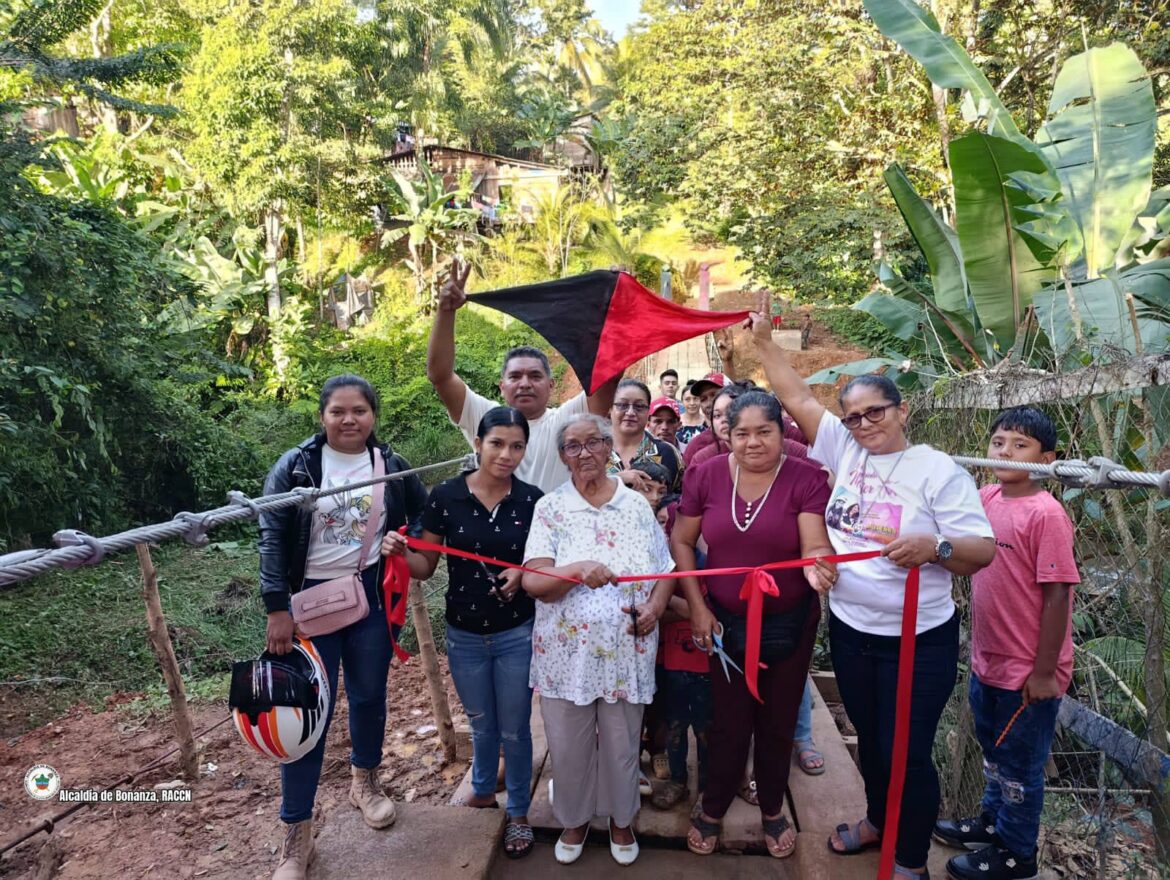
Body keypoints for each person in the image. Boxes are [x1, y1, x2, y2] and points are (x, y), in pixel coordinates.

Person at [747, 314, 996, 878]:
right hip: (851, 631)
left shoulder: (937, 471)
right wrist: (762, 342)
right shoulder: (844, 450)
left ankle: (910, 859)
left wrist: (935, 548)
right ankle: (879, 821)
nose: (863, 424)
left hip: (917, 639)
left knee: (908, 751)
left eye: (875, 412)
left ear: (901, 411)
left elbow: (981, 552)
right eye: (853, 416)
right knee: (874, 742)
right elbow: (796, 397)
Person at [258, 375, 427, 880]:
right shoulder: (296, 467)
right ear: (322, 416)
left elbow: (425, 515)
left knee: (370, 695)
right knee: (304, 714)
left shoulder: (391, 465)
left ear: (373, 415)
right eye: (338, 411)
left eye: (359, 411)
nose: (349, 419)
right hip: (305, 604)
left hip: (368, 599)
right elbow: (271, 537)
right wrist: (276, 607)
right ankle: (297, 833)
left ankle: (365, 781)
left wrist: (403, 540)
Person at [671, 390, 838, 860]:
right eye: (741, 433)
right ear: (728, 434)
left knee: (778, 720)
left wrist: (819, 565)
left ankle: (771, 806)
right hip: (723, 623)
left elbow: (814, 542)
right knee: (727, 720)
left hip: (790, 623)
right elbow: (682, 541)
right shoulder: (704, 475)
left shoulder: (806, 478)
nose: (752, 442)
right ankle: (714, 804)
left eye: (764, 431)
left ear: (782, 433)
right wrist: (698, 607)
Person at [522, 414, 678, 866]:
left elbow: (665, 571)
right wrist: (575, 570)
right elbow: (535, 582)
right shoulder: (550, 508)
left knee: (622, 744)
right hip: (565, 655)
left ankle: (621, 819)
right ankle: (573, 819)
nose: (585, 452)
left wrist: (654, 609)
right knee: (568, 745)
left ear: (609, 448)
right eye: (573, 446)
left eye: (593, 442)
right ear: (562, 456)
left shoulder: (635, 507)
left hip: (626, 650)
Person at [390, 406, 543, 860]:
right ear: (477, 444)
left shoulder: (533, 500)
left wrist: (523, 573)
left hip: (517, 631)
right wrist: (396, 552)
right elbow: (425, 565)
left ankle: (519, 811)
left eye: (517, 446)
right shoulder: (446, 496)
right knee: (480, 723)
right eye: (497, 443)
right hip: (464, 635)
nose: (506, 454)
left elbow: (545, 559)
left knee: (515, 727)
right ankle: (482, 791)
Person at [936, 407, 1079, 880]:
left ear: (1047, 459)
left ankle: (1017, 853)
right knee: (995, 753)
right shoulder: (986, 498)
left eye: (1021, 445)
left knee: (1020, 766)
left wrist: (1044, 672)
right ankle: (991, 824)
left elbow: (1057, 595)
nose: (1006, 452)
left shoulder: (1046, 514)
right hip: (988, 660)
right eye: (999, 442)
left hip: (1027, 671)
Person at [427, 263, 618, 493]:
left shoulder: (568, 421)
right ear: (502, 386)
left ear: (551, 385)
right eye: (515, 376)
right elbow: (440, 376)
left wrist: (615, 303)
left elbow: (609, 376)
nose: (525, 384)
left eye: (535, 376)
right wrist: (446, 311)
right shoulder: (485, 417)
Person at [651, 494, 712, 812]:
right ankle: (677, 780)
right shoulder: (657, 565)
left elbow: (710, 612)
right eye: (663, 525)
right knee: (674, 724)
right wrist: (686, 608)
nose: (668, 533)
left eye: (672, 526)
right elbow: (652, 610)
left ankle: (706, 789)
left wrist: (668, 603)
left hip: (706, 664)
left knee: (706, 729)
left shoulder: (709, 564)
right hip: (671, 663)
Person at [687, 383, 808, 472]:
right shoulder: (702, 459)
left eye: (730, 411)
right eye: (717, 415)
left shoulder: (794, 450)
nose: (724, 419)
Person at [608, 378, 685, 494]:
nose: (630, 412)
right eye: (622, 405)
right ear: (610, 409)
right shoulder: (593, 449)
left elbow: (675, 499)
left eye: (639, 406)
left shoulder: (666, 452)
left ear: (648, 411)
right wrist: (615, 480)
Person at [676, 381, 708, 451]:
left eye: (695, 398)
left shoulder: (708, 422)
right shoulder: (676, 422)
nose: (692, 403)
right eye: (687, 399)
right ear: (682, 401)